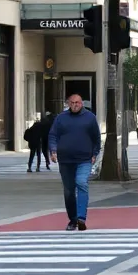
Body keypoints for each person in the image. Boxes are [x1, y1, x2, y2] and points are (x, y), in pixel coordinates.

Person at [48, 93, 101, 231]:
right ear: (68, 104)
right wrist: (53, 151)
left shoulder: (90, 118)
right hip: (65, 160)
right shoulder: (61, 118)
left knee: (82, 183)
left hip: (84, 159)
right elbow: (53, 135)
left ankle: (81, 218)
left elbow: (96, 138)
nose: (74, 105)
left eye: (77, 102)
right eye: (71, 103)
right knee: (69, 191)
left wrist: (95, 153)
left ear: (81, 103)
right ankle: (73, 219)